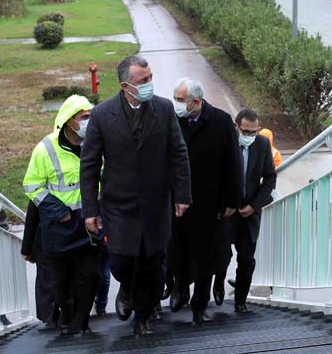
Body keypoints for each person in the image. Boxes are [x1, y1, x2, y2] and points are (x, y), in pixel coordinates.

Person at [81, 54, 192, 336]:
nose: (150, 84)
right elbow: (90, 165)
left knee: (151, 262)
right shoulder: (103, 115)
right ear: (125, 85)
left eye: (151, 77)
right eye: (144, 80)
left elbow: (178, 153)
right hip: (119, 205)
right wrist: (90, 210)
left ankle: (141, 318)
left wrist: (182, 195)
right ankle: (126, 289)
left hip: (156, 204)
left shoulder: (164, 109)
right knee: (121, 260)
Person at [22, 95, 99, 335]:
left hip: (89, 225)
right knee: (61, 280)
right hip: (60, 227)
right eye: (84, 118)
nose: (89, 122)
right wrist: (59, 212)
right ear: (69, 122)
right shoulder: (45, 149)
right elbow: (32, 186)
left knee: (90, 276)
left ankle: (82, 323)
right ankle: (66, 320)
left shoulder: (97, 143)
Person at [168, 77, 242, 324]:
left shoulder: (220, 122)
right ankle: (179, 290)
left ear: (196, 102)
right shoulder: (173, 120)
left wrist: (232, 200)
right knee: (177, 250)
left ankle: (200, 305)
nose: (176, 104)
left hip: (210, 203)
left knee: (206, 256)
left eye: (180, 100)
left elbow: (233, 162)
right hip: (178, 201)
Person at [217, 108, 277, 312]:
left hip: (249, 212)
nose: (251, 136)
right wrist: (225, 205)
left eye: (254, 131)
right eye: (246, 131)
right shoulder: (225, 142)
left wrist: (254, 206)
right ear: (236, 127)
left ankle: (240, 301)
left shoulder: (261, 144)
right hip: (226, 212)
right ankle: (219, 284)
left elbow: (269, 177)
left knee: (246, 259)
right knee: (222, 255)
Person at [20, 201, 59, 330]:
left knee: (46, 279)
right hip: (67, 237)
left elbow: (31, 222)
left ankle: (49, 316)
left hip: (44, 240)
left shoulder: (39, 191)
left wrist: (26, 249)